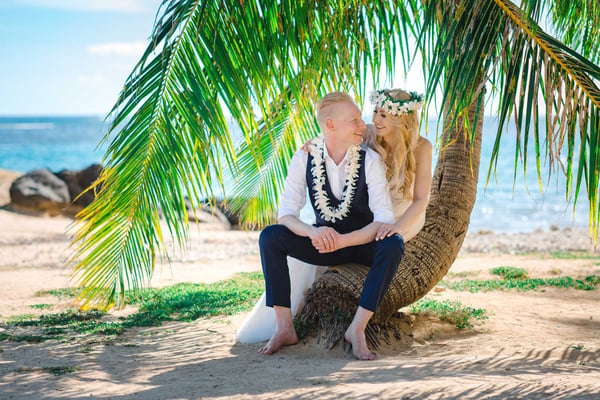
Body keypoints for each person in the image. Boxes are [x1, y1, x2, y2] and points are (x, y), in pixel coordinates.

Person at [237, 89, 432, 359]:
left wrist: (344, 240)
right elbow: (286, 214)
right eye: (358, 119)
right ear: (331, 126)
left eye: (379, 114)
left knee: (393, 244)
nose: (366, 123)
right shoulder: (305, 157)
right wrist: (312, 232)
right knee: (270, 237)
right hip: (325, 242)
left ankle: (357, 328)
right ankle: (284, 327)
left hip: (363, 241)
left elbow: (386, 218)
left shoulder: (370, 159)